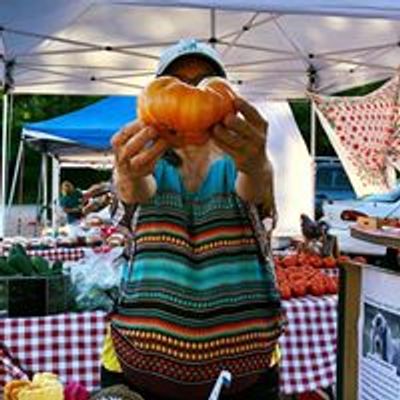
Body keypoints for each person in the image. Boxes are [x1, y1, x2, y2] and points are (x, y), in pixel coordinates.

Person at [103, 39, 286, 400]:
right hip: (137, 373)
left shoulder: (243, 161)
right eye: (175, 82)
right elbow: (135, 191)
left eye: (203, 82)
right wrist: (126, 175)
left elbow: (256, 189)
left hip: (245, 377)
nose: (189, 93)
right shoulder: (143, 162)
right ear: (156, 98)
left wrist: (256, 164)